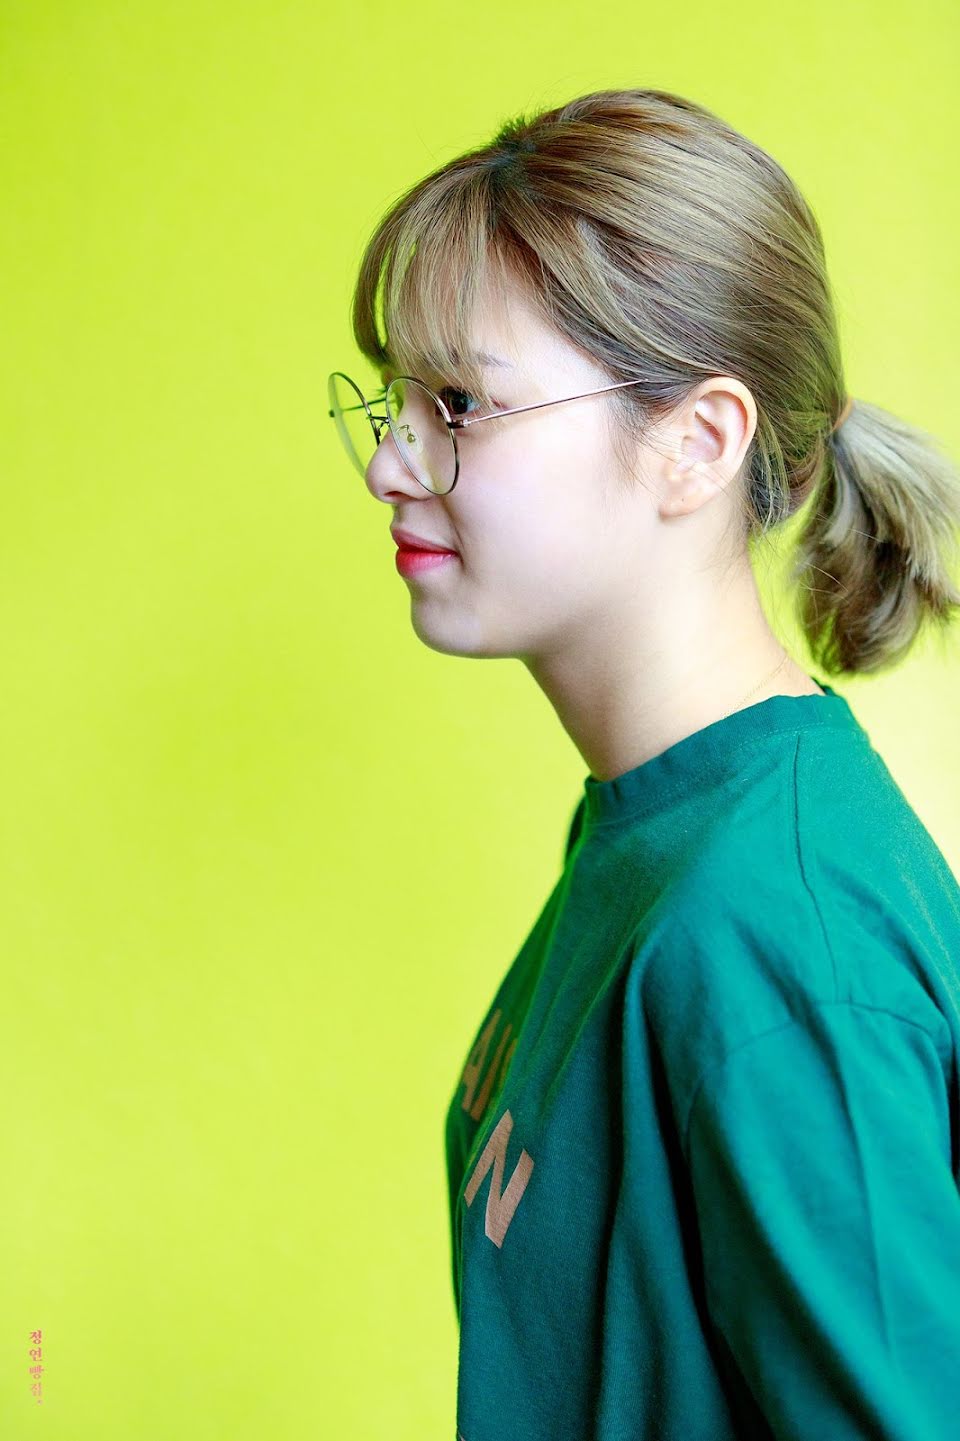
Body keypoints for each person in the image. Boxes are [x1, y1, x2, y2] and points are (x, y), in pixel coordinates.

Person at [338, 87, 960, 1439]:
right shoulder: (648, 833)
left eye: (458, 402)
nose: (390, 462)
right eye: (396, 398)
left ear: (697, 442)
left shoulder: (772, 935)